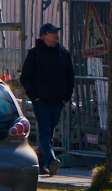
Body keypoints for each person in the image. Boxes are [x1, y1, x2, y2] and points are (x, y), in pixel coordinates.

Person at [18, 23, 76, 175]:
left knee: (49, 133)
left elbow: (70, 77)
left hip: (58, 101)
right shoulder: (35, 54)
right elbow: (25, 77)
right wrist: (34, 97)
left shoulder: (63, 53)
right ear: (44, 36)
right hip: (41, 101)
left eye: (57, 32)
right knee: (44, 130)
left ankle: (41, 163)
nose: (57, 35)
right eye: (53, 32)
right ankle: (51, 160)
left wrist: (66, 97)